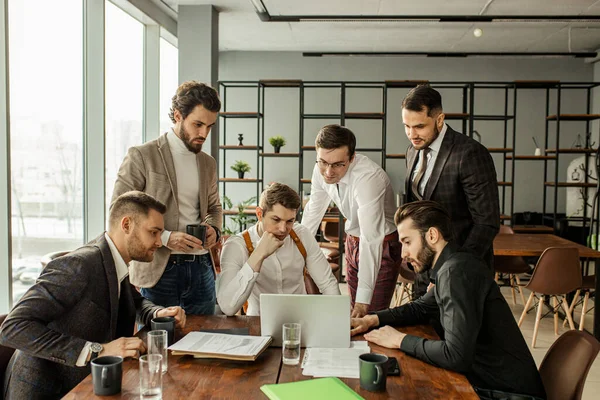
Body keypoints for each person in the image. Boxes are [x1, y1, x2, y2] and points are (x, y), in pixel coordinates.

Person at [351, 201, 545, 400]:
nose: (403, 254)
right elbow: (421, 308)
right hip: (492, 384)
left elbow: (456, 356)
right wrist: (371, 320)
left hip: (508, 394)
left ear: (432, 236)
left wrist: (399, 340)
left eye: (407, 242)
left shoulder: (455, 273)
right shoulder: (454, 266)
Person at [0, 191, 186, 399]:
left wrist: (157, 313)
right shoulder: (79, 265)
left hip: (86, 387)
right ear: (126, 225)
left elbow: (135, 300)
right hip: (45, 390)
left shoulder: (113, 260)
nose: (160, 242)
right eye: (154, 232)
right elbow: (12, 327)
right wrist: (98, 350)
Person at [111, 81, 223, 315]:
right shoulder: (143, 156)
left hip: (201, 269)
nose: (204, 133)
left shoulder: (208, 163)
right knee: (157, 345)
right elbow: (119, 211)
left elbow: (214, 207)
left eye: (210, 126)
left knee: (202, 344)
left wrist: (214, 229)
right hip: (158, 269)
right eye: (198, 124)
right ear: (178, 116)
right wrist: (165, 237)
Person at [402, 84, 500, 298]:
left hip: (461, 272)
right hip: (423, 270)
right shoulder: (412, 151)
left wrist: (450, 272)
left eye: (419, 126)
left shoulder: (470, 153)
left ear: (439, 119)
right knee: (423, 330)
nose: (411, 134)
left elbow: (487, 222)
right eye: (406, 126)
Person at [301, 125, 400, 318]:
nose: (328, 172)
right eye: (323, 162)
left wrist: (363, 303)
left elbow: (371, 238)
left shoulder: (369, 178)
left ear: (352, 158)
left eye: (338, 164)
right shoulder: (320, 169)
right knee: (352, 316)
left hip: (382, 245)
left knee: (370, 316)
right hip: (352, 241)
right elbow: (313, 211)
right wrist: (296, 249)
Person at [217, 183, 340, 316]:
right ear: (259, 214)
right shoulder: (236, 245)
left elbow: (328, 284)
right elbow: (227, 307)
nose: (283, 229)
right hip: (259, 322)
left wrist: (337, 320)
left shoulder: (302, 235)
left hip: (301, 320)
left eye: (289, 221)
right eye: (276, 219)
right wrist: (259, 254)